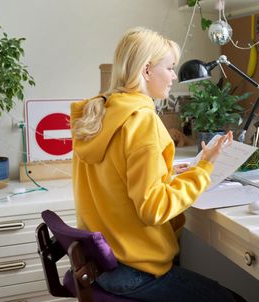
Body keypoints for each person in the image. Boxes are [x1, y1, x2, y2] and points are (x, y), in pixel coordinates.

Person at [70, 27, 237, 301]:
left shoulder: (99, 111)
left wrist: (164, 172)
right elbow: (154, 209)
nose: (173, 76)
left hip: (104, 266)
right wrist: (203, 169)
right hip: (136, 269)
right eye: (170, 68)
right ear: (147, 70)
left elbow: (113, 177)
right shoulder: (142, 121)